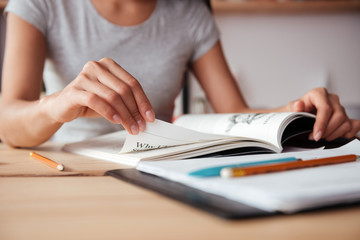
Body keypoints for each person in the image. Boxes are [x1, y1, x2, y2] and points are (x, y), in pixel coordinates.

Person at [0, 0, 359, 148]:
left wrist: (298, 113)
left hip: (158, 166)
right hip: (64, 166)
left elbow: (234, 112)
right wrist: (55, 105)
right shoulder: (40, 4)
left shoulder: (188, 12)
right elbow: (7, 121)